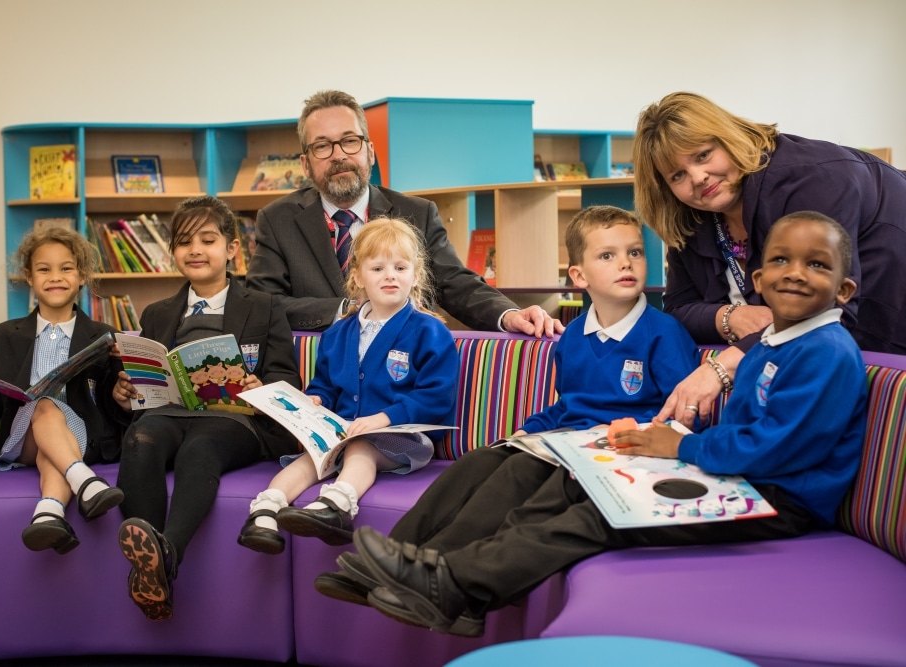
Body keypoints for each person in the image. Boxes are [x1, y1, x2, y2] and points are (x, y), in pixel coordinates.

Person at [341, 211, 868, 637]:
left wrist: (680, 446)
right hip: (745, 474)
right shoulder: (777, 341)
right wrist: (687, 445)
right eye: (781, 260)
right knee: (560, 492)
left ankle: (452, 582)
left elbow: (771, 449)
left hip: (782, 499)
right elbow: (747, 436)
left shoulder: (825, 353)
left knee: (601, 515)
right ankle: (456, 589)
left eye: (816, 265)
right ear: (757, 280)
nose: (795, 273)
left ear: (844, 290)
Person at [312, 205, 701, 636]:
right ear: (578, 276)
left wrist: (617, 439)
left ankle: (432, 577)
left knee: (515, 473)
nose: (626, 262)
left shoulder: (664, 333)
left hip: (615, 453)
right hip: (567, 441)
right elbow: (565, 406)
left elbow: (677, 417)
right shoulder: (572, 335)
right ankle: (387, 561)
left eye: (635, 252)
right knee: (479, 461)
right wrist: (524, 431)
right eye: (607, 255)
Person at [633, 91, 906, 425]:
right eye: (677, 175)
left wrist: (719, 369)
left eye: (703, 155)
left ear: (728, 138)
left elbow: (826, 310)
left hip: (884, 339)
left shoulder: (810, 180)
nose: (698, 177)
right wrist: (728, 316)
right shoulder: (692, 217)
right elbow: (678, 308)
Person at [111, 196, 302, 621]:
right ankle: (154, 568)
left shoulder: (265, 306)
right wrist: (128, 392)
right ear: (172, 253)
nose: (195, 250)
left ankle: (164, 556)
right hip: (168, 414)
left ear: (233, 249)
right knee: (140, 438)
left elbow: (288, 379)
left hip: (235, 419)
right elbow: (146, 380)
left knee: (200, 448)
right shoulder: (158, 313)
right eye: (183, 242)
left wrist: (260, 386)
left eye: (208, 239)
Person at [244, 89, 562, 339]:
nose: (339, 155)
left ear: (370, 151)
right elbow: (262, 304)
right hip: (316, 379)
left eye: (349, 141)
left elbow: (457, 285)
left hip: (405, 382)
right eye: (323, 146)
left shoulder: (417, 213)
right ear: (305, 164)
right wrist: (347, 308)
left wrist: (508, 315)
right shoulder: (277, 220)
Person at [238, 217, 460, 554]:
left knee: (361, 448)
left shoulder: (430, 331)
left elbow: (435, 397)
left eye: (401, 267)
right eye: (378, 268)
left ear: (415, 275)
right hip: (342, 431)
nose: (390, 275)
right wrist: (315, 400)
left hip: (401, 436)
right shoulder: (337, 333)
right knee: (311, 457)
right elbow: (325, 385)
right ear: (357, 276)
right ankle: (266, 510)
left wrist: (383, 419)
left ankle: (337, 506)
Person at [0, 227, 125, 554]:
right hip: (22, 437)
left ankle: (49, 514)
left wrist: (121, 390)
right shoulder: (6, 334)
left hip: (83, 438)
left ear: (82, 276)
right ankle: (85, 483)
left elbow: (113, 403)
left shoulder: (103, 334)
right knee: (44, 405)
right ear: (29, 276)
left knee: (48, 433)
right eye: (44, 269)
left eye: (66, 268)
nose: (56, 277)